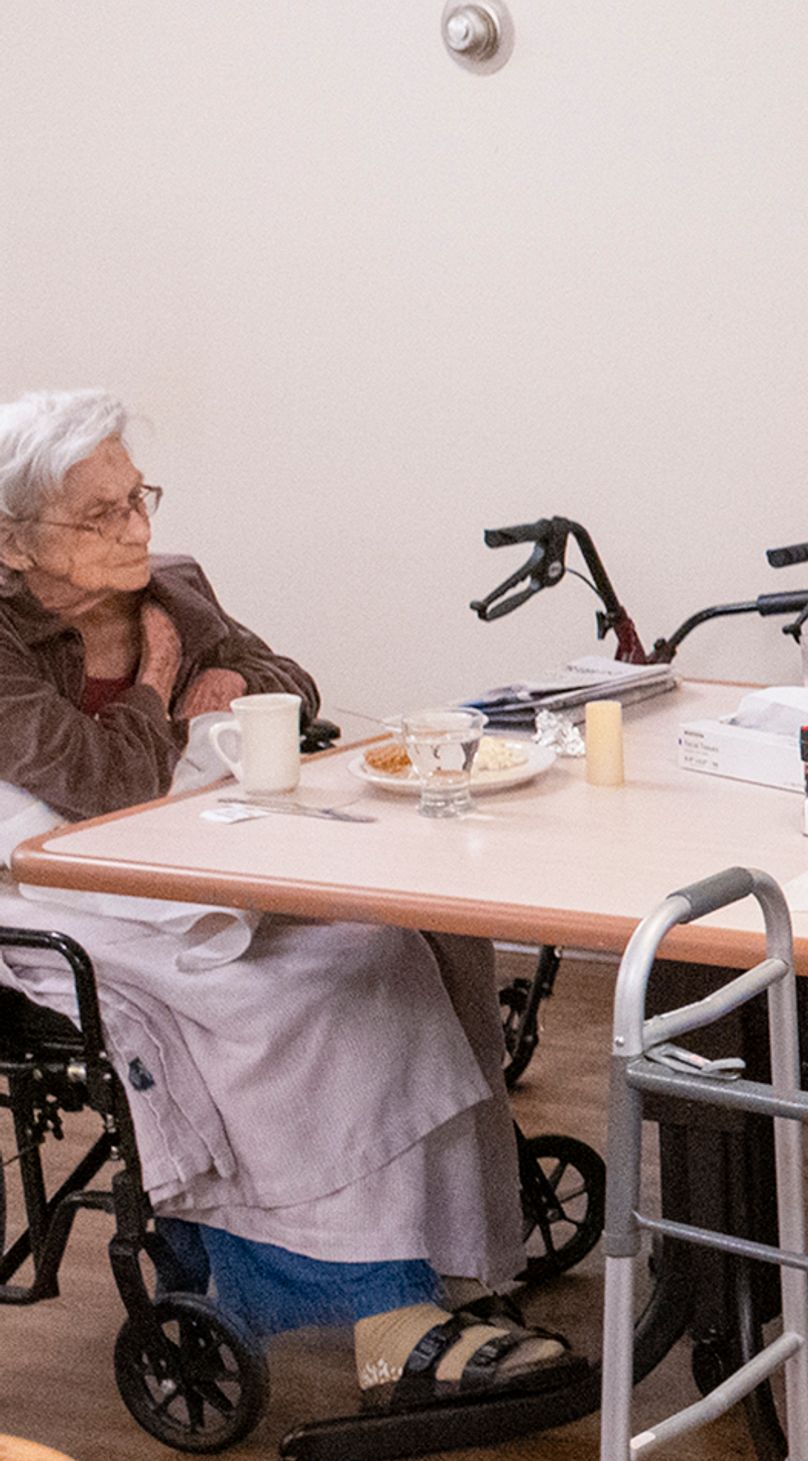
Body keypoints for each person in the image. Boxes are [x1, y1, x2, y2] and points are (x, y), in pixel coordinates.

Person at [0, 390, 559, 1405]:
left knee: (416, 930)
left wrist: (233, 680)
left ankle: (439, 1257)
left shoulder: (169, 585)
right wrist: (166, 677)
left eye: (138, 499)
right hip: (58, 890)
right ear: (11, 543)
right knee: (340, 976)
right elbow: (95, 779)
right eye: (101, 515)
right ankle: (371, 1311)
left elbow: (284, 678)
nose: (138, 529)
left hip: (185, 849)